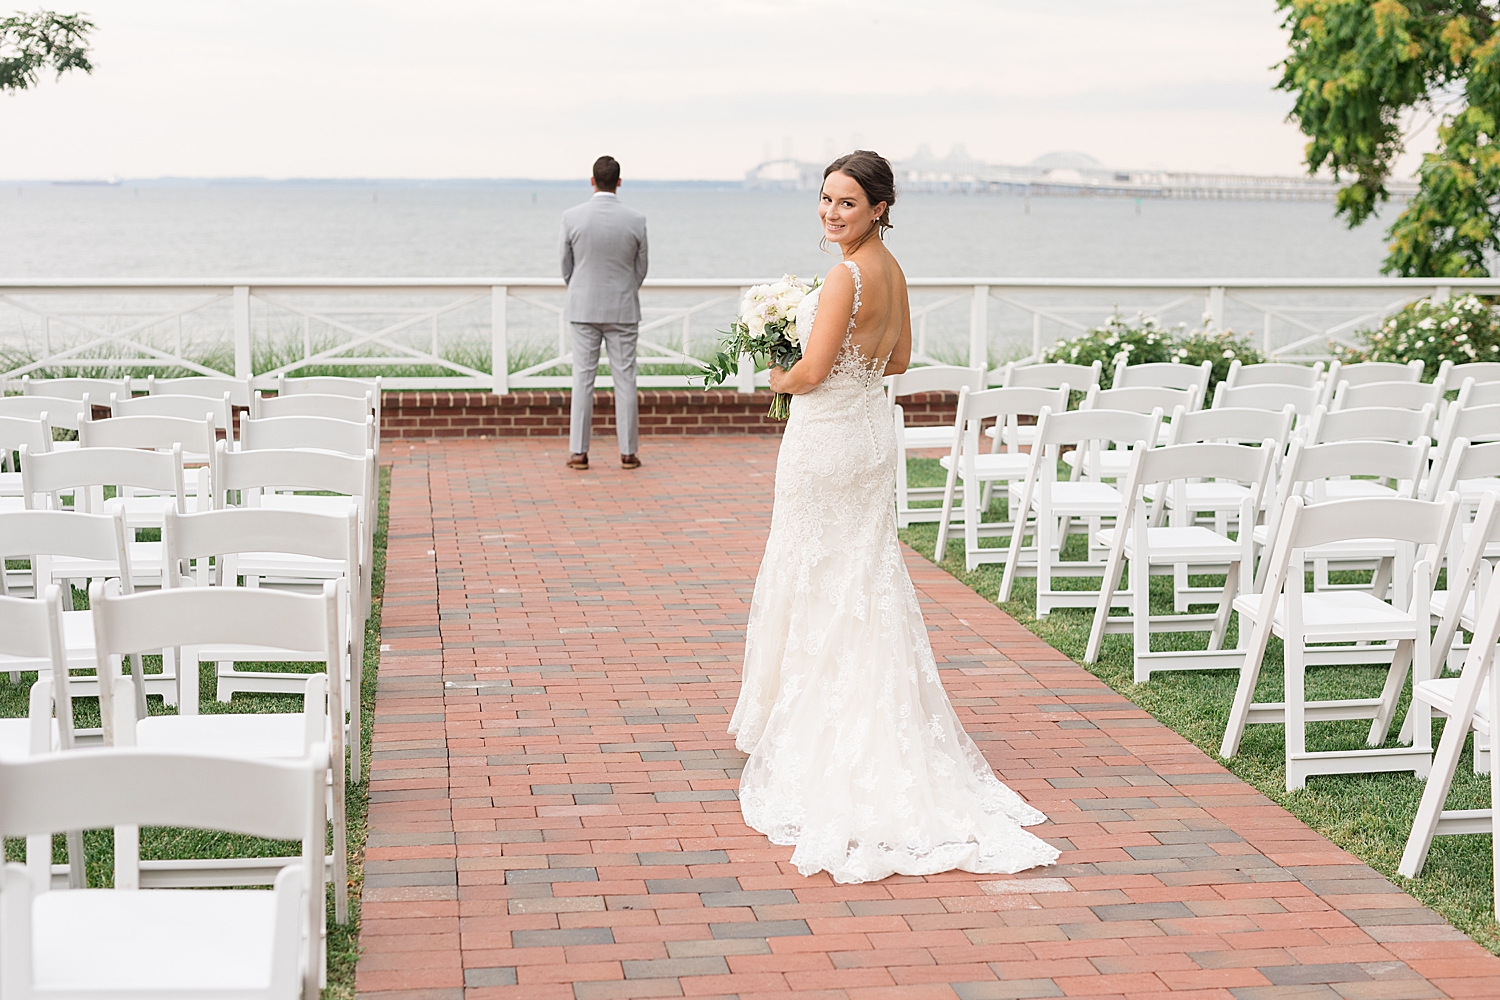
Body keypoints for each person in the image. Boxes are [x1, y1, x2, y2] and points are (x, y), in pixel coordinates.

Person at [727, 151, 1060, 884]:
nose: (831, 213)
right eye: (825, 200)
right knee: (858, 572)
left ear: (879, 205)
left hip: (825, 440)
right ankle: (856, 707)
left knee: (812, 568)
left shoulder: (846, 274)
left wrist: (778, 373)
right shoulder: (893, 269)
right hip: (872, 435)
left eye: (847, 203)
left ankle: (810, 724)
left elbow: (811, 372)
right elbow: (900, 356)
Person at [560, 155, 649, 471]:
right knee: (625, 379)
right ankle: (628, 452)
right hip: (623, 308)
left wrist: (583, 289)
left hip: (583, 307)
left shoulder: (572, 217)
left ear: (592, 180)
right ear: (619, 182)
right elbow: (641, 269)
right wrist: (623, 290)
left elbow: (566, 267)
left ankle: (578, 452)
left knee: (582, 379)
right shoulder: (636, 219)